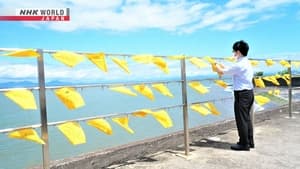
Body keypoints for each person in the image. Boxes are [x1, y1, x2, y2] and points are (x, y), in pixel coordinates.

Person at [213, 40, 254, 151]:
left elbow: (222, 71)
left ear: (239, 52)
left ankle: (243, 144)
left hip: (242, 94)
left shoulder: (240, 65)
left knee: (241, 120)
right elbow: (230, 69)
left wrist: (214, 65)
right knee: (246, 119)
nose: (233, 53)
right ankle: (249, 142)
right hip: (249, 93)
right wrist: (222, 67)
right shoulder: (245, 62)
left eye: (234, 51)